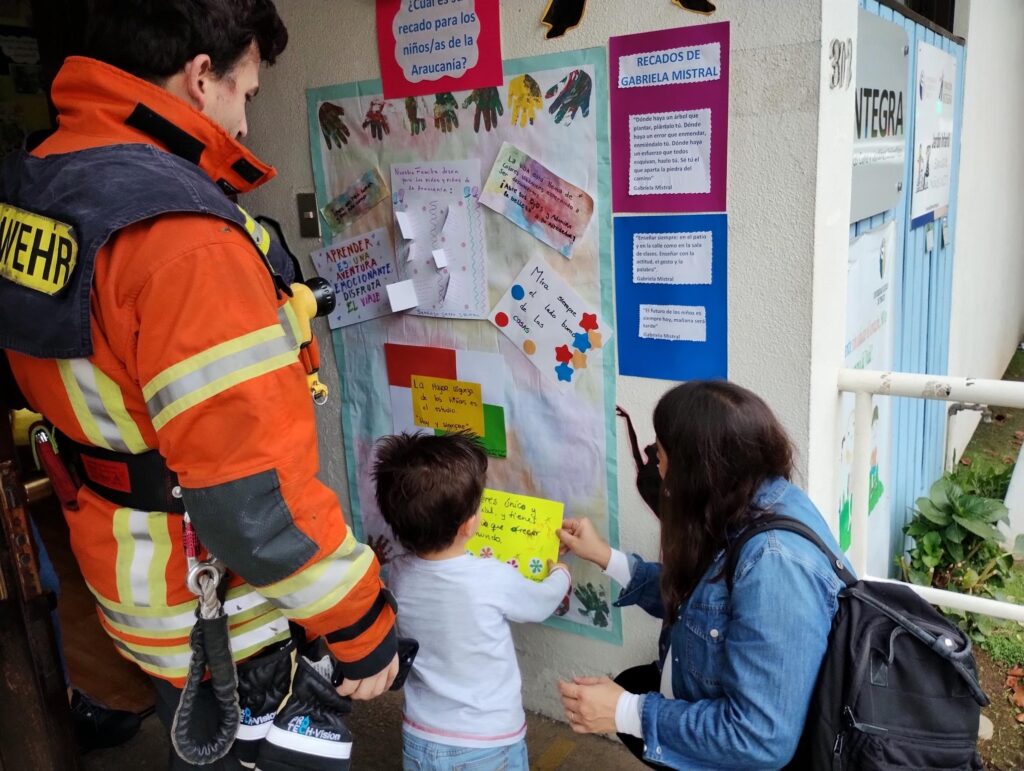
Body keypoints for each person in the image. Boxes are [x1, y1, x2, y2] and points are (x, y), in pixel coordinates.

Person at [0, 1, 397, 767]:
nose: (244, 124)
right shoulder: (184, 240)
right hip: (220, 608)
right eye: (246, 92)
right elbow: (253, 498)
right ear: (201, 74)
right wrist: (360, 622)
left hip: (126, 574)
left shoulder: (41, 181)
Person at [556, 381, 850, 769]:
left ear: (696, 471)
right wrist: (605, 557)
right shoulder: (752, 498)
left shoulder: (775, 566)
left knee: (629, 691)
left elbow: (757, 738)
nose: (657, 468)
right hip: (694, 693)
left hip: (742, 756)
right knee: (632, 682)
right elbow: (704, 602)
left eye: (660, 454)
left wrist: (623, 712)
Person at [373, 432, 571, 771]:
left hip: (421, 737)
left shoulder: (399, 574)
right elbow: (540, 603)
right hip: (487, 742)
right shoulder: (491, 577)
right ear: (468, 525)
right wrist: (561, 575)